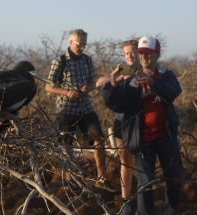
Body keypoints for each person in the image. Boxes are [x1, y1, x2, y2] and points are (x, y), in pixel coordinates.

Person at [102, 36, 183, 215]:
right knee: (145, 183)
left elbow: (173, 92)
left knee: (174, 179)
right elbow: (117, 105)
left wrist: (153, 83)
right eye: (142, 54)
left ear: (157, 54)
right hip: (142, 141)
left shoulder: (165, 75)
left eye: (149, 54)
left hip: (166, 137)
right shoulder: (131, 81)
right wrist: (113, 84)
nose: (145, 57)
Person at [45, 29, 116, 192]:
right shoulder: (60, 61)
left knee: (99, 139)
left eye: (84, 43)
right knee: (66, 145)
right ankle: (70, 181)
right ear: (70, 42)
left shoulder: (87, 60)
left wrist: (88, 87)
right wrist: (67, 92)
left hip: (85, 107)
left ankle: (101, 178)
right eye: (80, 43)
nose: (82, 47)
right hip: (66, 109)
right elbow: (48, 87)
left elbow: (93, 81)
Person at [97, 39, 140, 215]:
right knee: (126, 162)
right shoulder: (124, 69)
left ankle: (142, 203)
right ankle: (126, 202)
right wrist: (114, 78)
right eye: (126, 53)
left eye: (132, 52)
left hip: (141, 123)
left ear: (140, 52)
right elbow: (100, 82)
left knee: (144, 164)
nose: (129, 56)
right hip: (121, 122)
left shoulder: (147, 69)